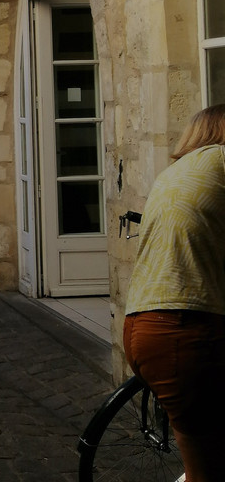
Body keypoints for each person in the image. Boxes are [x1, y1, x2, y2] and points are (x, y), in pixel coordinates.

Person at [123, 104, 225, 481]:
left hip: (142, 326)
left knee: (201, 450)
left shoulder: (175, 173)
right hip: (182, 330)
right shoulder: (222, 159)